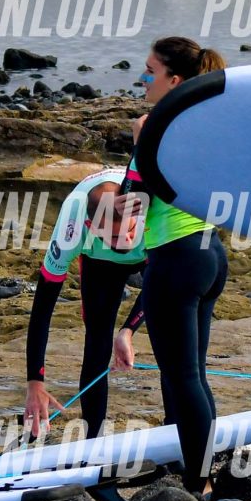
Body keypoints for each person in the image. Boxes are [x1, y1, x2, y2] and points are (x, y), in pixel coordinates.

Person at [116, 37, 228, 491]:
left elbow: (134, 200)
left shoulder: (158, 128)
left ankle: (199, 483)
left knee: (182, 378)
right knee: (194, 376)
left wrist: (138, 145)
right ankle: (203, 474)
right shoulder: (204, 123)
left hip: (176, 257)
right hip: (209, 251)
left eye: (150, 70)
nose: (142, 78)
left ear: (174, 80)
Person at [22, 167, 146, 439]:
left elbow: (164, 285)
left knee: (170, 338)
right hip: (99, 259)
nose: (126, 241)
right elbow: (42, 310)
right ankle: (92, 442)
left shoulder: (146, 208)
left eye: (129, 230)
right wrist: (35, 382)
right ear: (92, 227)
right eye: (115, 236)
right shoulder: (71, 228)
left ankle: (178, 434)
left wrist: (128, 330)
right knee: (97, 346)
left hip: (150, 251)